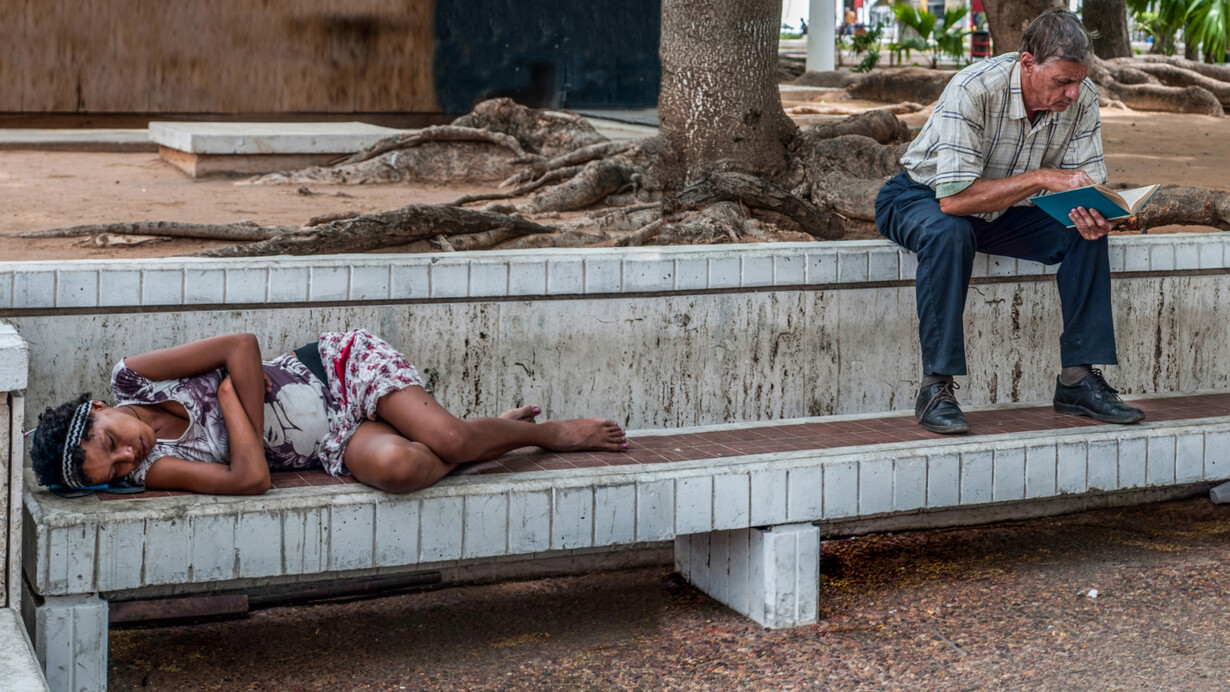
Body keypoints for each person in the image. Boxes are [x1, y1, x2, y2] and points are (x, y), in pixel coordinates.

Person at [874, 9, 1144, 434]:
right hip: (921, 197)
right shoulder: (974, 88)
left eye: (1078, 80)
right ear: (1027, 63)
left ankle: (1076, 381)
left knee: (1083, 234)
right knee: (950, 232)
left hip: (1005, 210)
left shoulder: (1083, 97)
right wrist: (1040, 178)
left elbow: (1080, 186)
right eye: (1062, 82)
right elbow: (953, 201)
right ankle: (936, 388)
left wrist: (1094, 212)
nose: (1073, 93)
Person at [29, 329, 627, 495]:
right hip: (331, 443)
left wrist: (242, 400)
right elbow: (252, 477)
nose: (129, 454)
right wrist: (236, 398)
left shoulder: (133, 374)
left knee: (443, 435)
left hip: (334, 370)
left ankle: (542, 434)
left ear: (101, 407)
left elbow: (241, 345)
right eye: (114, 468)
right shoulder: (152, 467)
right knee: (400, 471)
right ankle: (491, 436)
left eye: (111, 442)